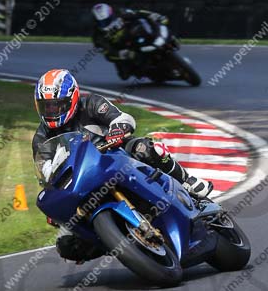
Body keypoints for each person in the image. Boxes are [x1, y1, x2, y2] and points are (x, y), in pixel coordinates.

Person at [33, 68, 213, 263]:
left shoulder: (92, 104)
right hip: (80, 177)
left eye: (57, 106)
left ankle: (186, 180)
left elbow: (122, 118)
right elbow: (46, 173)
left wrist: (118, 129)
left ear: (72, 98)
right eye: (46, 107)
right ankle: (114, 241)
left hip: (114, 153)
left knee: (146, 148)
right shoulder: (41, 138)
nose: (51, 112)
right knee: (66, 244)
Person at [92, 3, 177, 80]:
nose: (105, 23)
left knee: (151, 23)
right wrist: (121, 54)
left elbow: (138, 13)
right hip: (123, 48)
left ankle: (165, 39)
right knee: (124, 75)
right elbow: (107, 53)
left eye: (107, 20)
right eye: (102, 22)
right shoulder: (98, 35)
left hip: (135, 34)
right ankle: (148, 72)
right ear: (96, 21)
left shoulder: (121, 13)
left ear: (111, 14)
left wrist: (153, 15)